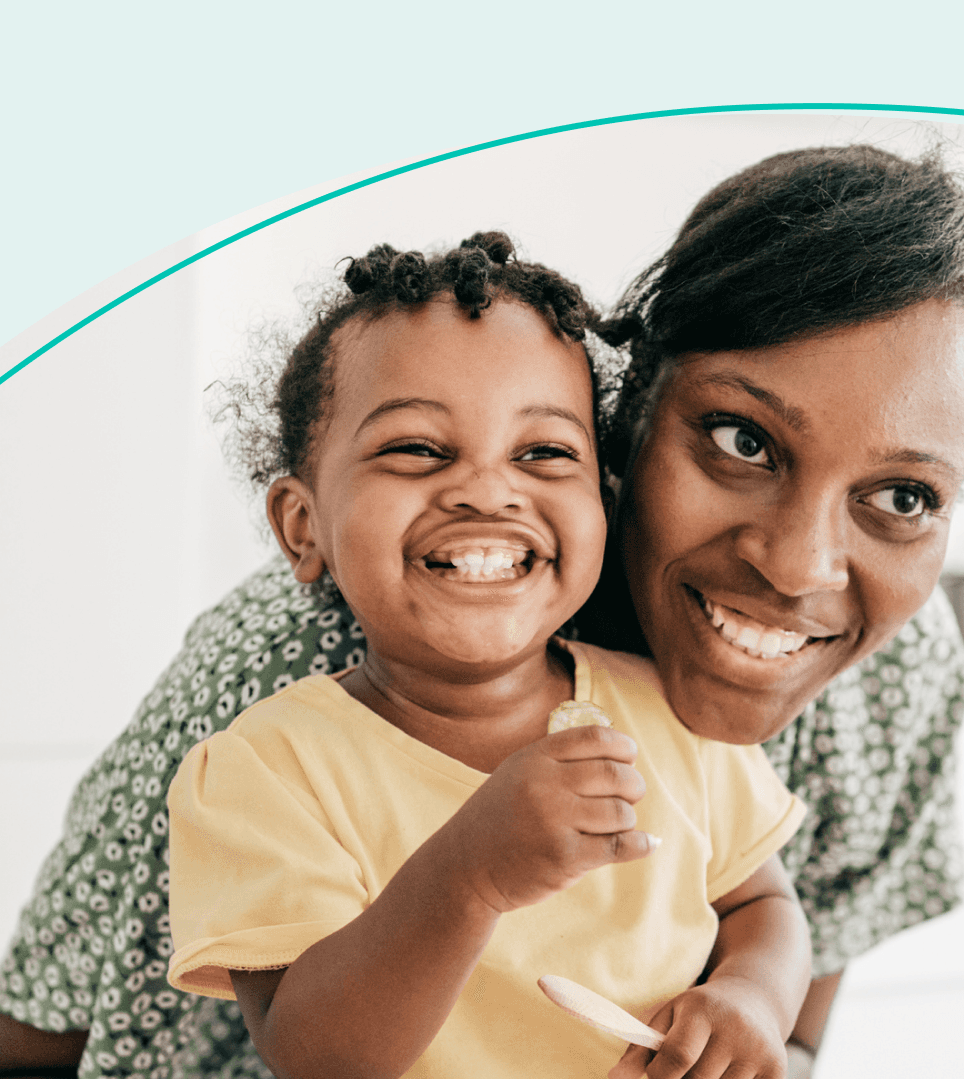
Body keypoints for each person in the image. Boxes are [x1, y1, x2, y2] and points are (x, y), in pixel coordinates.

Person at [0, 142, 964, 1079]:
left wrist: (746, 1030)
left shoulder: (897, 685)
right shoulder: (288, 680)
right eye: (742, 439)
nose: (797, 567)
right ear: (629, 405)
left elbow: (787, 1014)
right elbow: (24, 1058)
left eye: (904, 495)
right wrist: (465, 875)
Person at [164, 231, 812, 1079]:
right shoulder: (264, 772)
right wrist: (472, 877)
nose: (487, 489)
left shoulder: (665, 715)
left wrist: (751, 999)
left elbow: (765, 904)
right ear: (303, 526)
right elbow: (317, 1059)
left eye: (543, 453)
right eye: (417, 450)